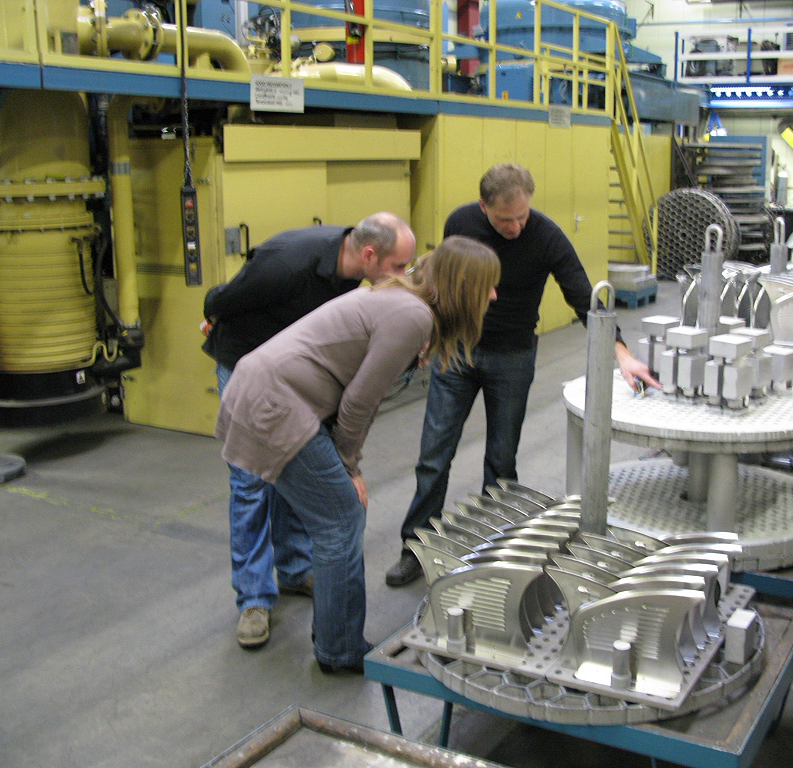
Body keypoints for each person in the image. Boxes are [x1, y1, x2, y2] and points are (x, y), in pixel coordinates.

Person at [214, 236, 501, 673]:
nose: (493, 296)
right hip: (275, 404)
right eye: (487, 286)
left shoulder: (403, 302)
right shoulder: (412, 316)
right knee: (340, 518)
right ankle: (339, 649)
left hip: (274, 396)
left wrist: (346, 463)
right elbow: (359, 401)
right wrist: (350, 466)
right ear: (464, 287)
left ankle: (331, 630)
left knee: (337, 514)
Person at [385, 164, 660, 587]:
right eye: (504, 219)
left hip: (512, 357)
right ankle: (416, 546)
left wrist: (619, 352)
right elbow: (443, 283)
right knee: (433, 457)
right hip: (457, 352)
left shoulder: (546, 236)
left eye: (521, 216)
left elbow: (582, 293)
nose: (514, 227)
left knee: (501, 461)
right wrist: (429, 335)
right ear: (483, 207)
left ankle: (498, 550)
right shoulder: (461, 223)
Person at [203, 213, 416, 649]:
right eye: (398, 267)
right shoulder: (288, 263)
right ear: (370, 255)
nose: (404, 277)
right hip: (249, 369)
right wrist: (213, 318)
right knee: (252, 483)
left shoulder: (355, 279)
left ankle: (296, 568)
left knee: (293, 479)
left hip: (298, 384)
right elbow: (221, 299)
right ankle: (253, 597)